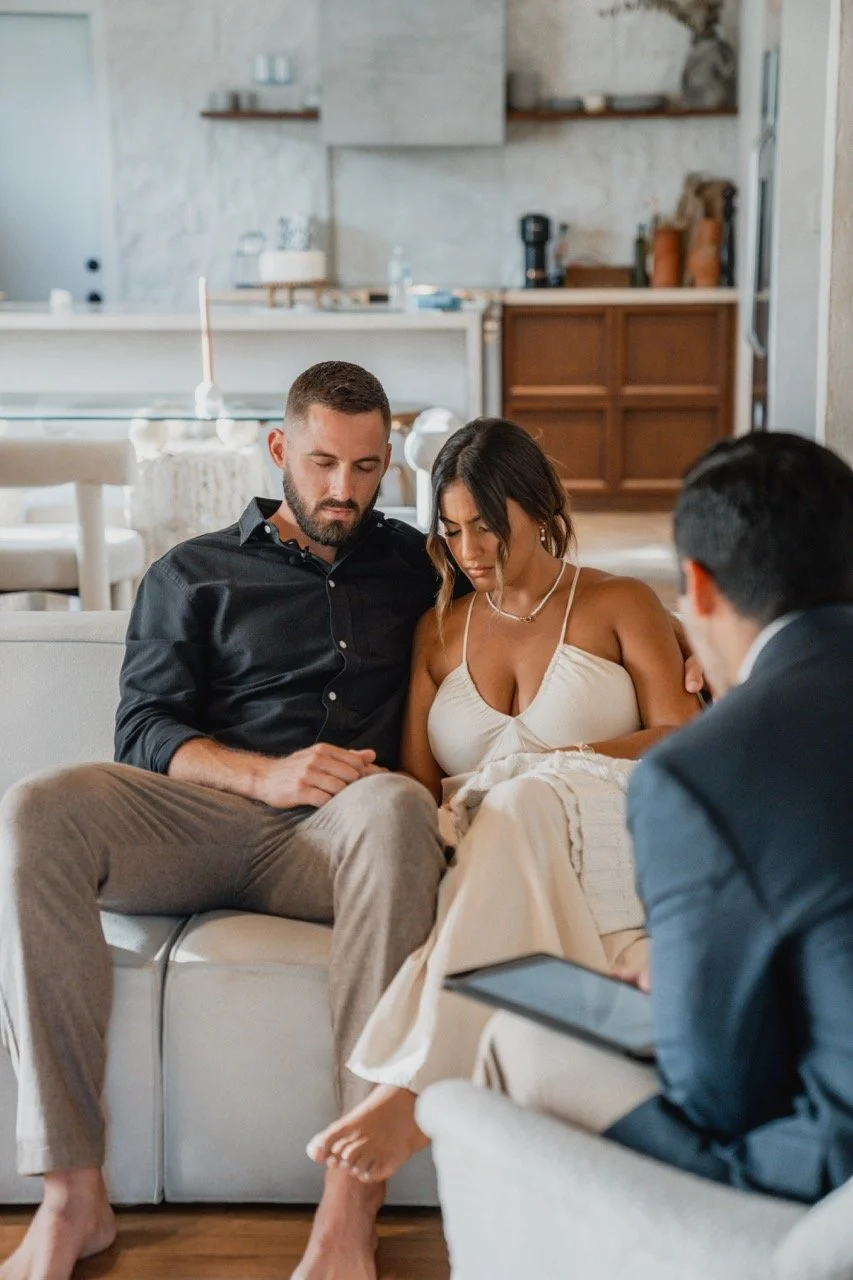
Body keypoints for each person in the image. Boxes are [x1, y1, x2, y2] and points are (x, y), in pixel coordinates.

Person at [0, 362, 451, 1280]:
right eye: (323, 462)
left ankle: (348, 1204)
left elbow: (536, 595)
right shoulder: (192, 571)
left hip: (343, 838)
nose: (343, 490)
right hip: (200, 822)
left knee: (401, 805)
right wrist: (265, 774)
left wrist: (661, 639)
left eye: (367, 468)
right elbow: (144, 729)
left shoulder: (416, 565)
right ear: (279, 447)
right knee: (38, 809)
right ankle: (71, 1192)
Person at [307, 418, 700, 1188]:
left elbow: (679, 741)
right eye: (451, 531)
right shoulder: (437, 630)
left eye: (488, 526)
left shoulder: (620, 603)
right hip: (483, 846)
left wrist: (552, 762)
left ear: (540, 506)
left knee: (522, 799)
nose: (471, 551)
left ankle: (411, 1085)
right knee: (505, 813)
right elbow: (420, 791)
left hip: (600, 824)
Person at [476, 431, 853, 1205]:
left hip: (823, 1173)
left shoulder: (702, 773)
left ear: (700, 588)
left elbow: (718, 1091)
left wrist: (682, 989)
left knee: (516, 1042)